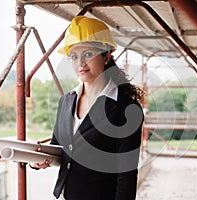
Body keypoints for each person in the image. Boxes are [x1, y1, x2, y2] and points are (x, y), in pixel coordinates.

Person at [30, 16, 144, 200]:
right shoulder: (66, 101)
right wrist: (38, 158)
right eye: (74, 56)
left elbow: (126, 176)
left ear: (106, 56)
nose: (80, 63)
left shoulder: (126, 109)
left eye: (88, 54)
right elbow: (59, 149)